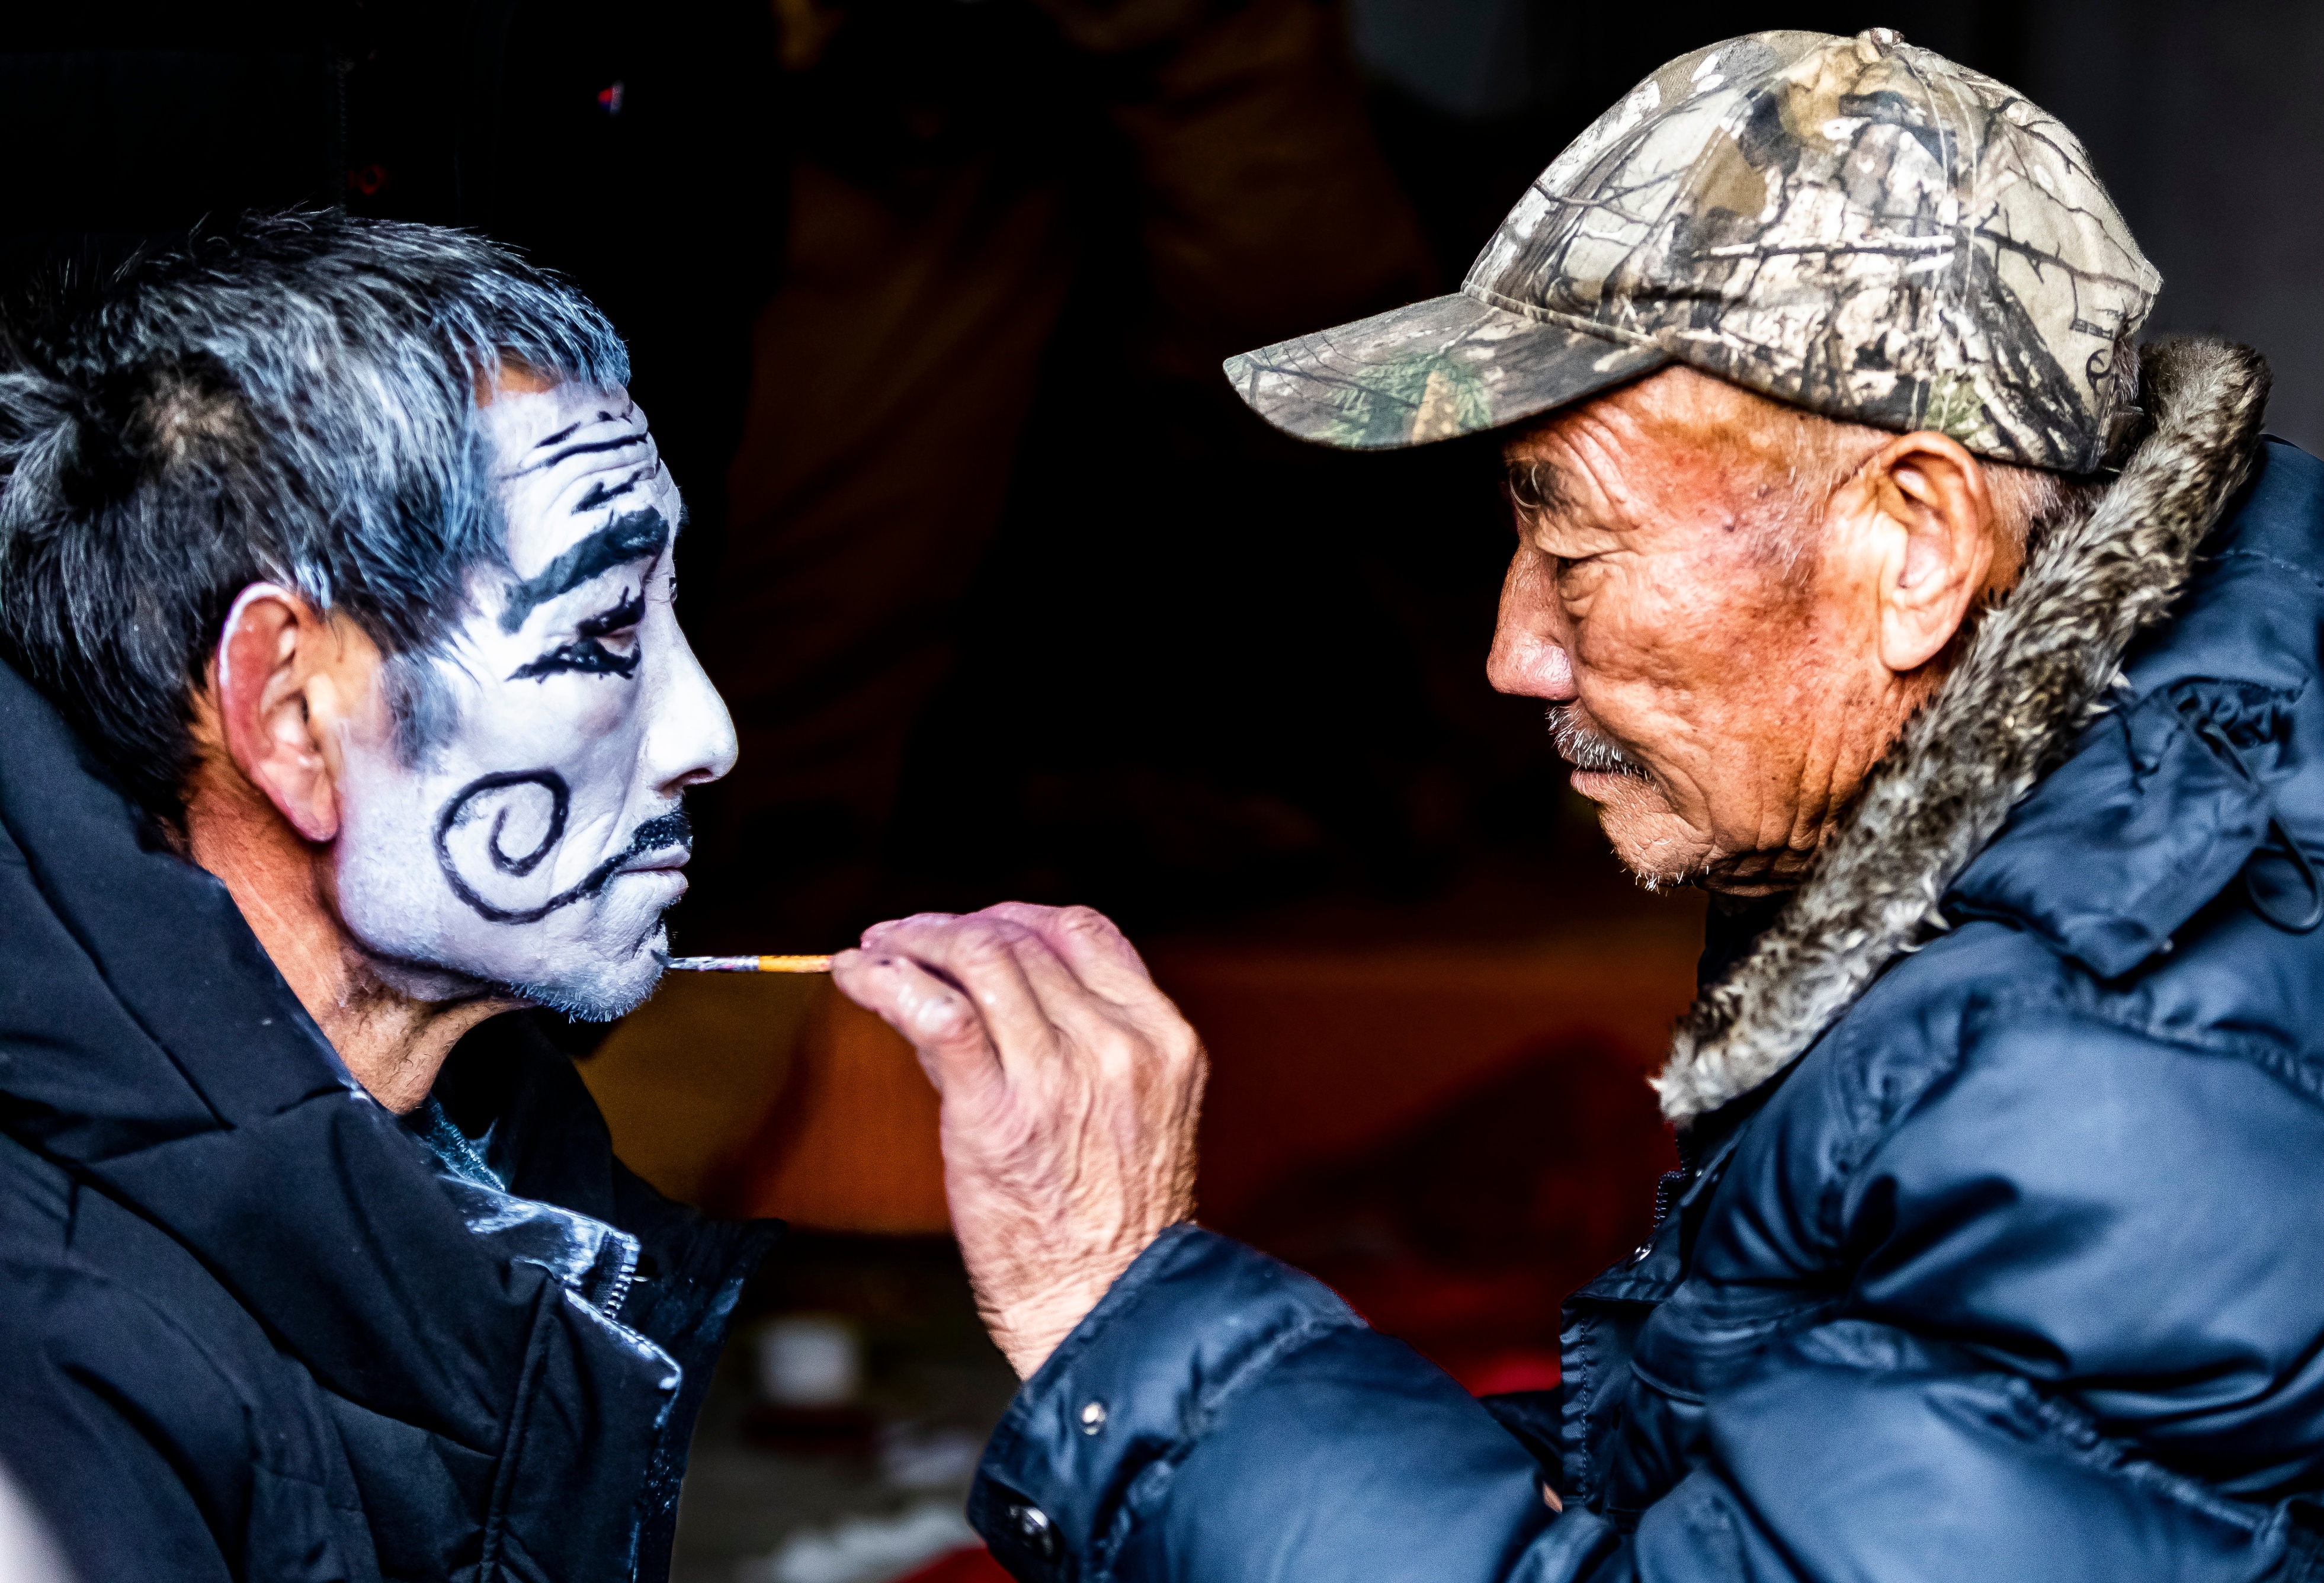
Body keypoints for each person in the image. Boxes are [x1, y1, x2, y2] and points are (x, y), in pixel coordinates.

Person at [832, 28, 2324, 1581]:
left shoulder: (2109, 1048)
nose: (1514, 653)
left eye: (1577, 552)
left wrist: (1117, 1306)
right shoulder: (2115, 795)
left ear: (1914, 546)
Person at [0, 213, 777, 1582]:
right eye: (606, 628)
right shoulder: (59, 1380)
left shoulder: (509, 1159)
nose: (704, 731)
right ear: (293, 715)